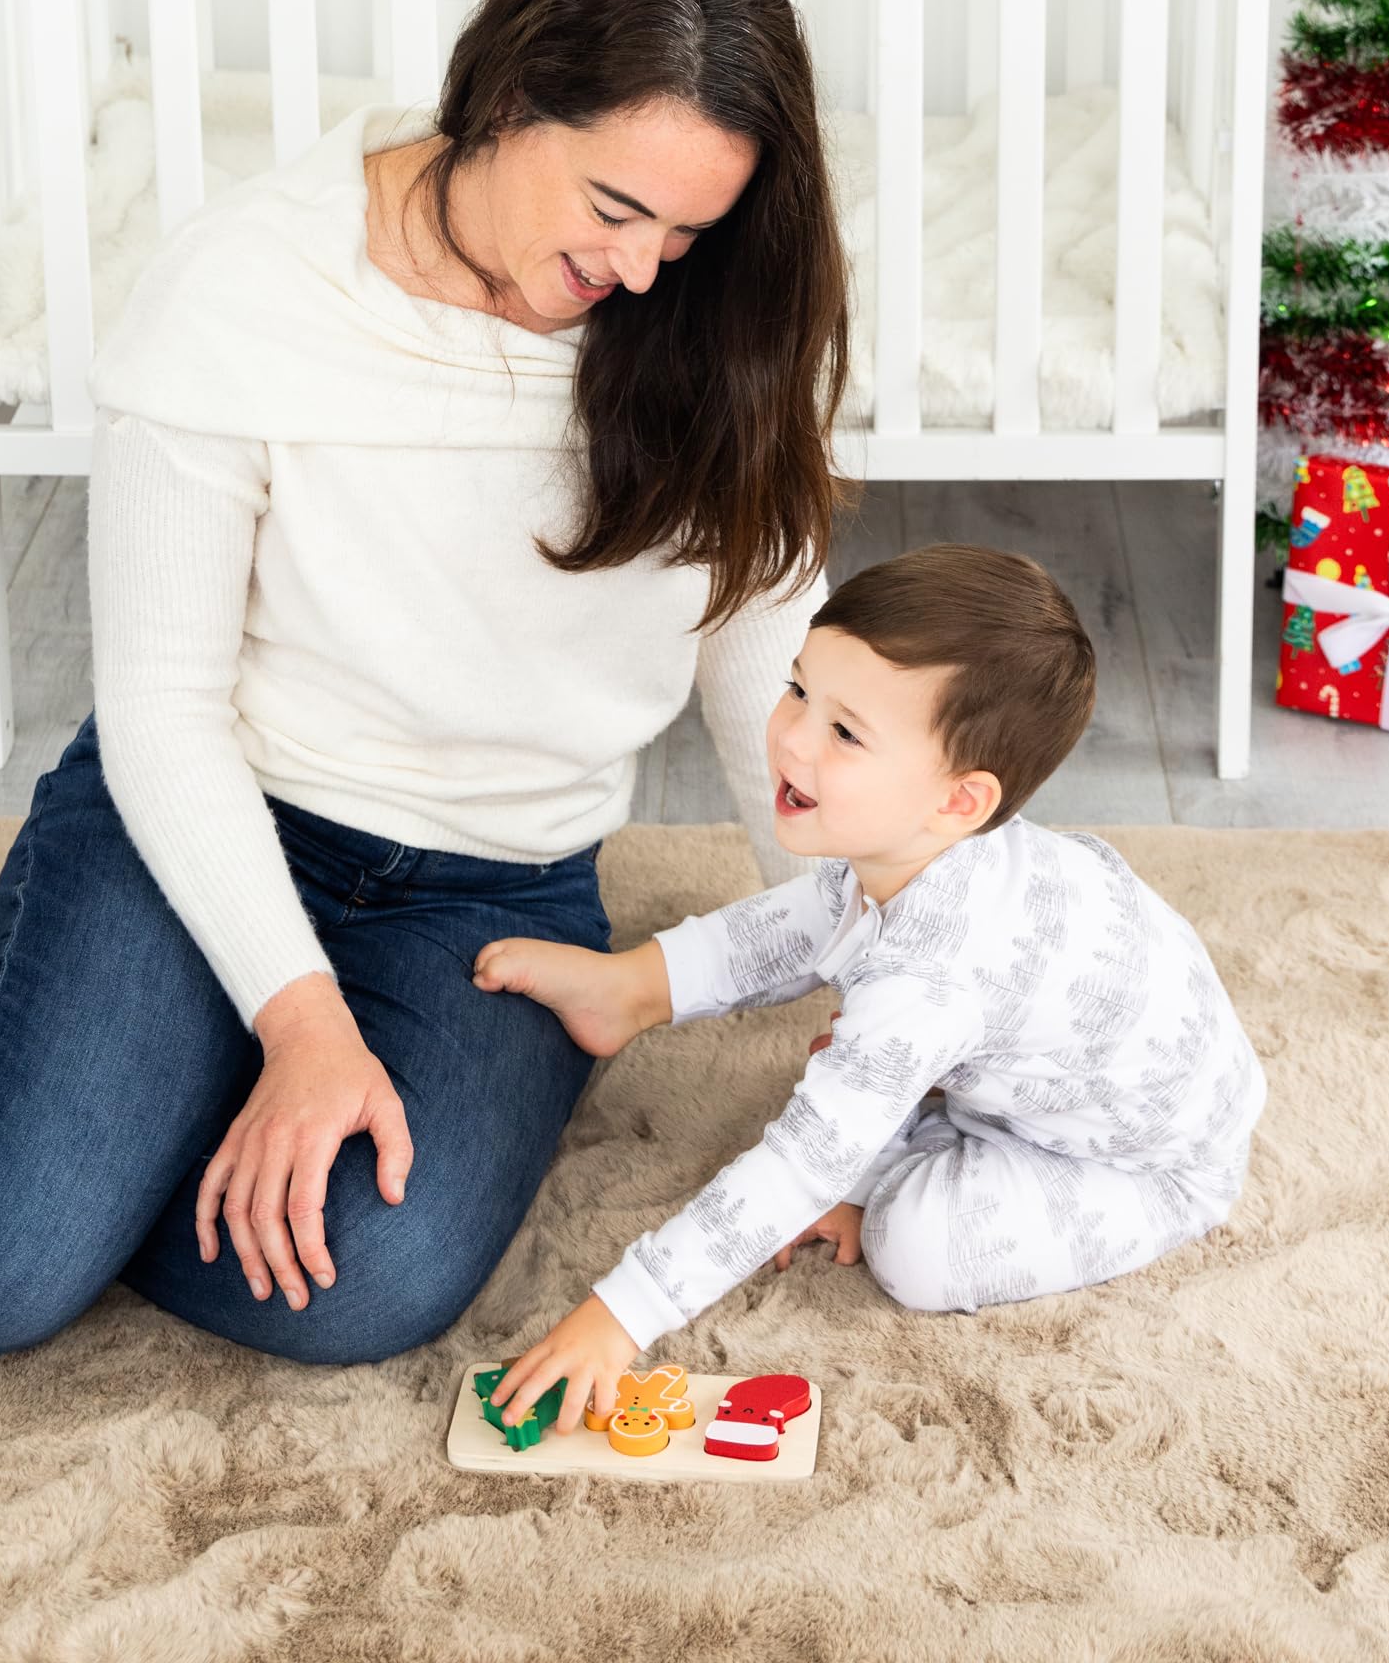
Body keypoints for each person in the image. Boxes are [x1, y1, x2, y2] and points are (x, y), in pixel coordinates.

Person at [0, 0, 857, 1364]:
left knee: (362, 1279)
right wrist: (302, 1028)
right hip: (216, 813)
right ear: (502, 98)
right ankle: (25, 1121)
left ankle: (43, 1099)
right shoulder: (245, 289)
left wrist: (898, 972)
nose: (639, 273)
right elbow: (165, 717)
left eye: (686, 231)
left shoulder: (711, 325)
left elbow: (780, 699)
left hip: (491, 893)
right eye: (613, 210)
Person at [476, 543, 1270, 1438]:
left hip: (1141, 1167)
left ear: (959, 802)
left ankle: (896, 1138)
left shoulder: (933, 977)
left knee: (915, 1249)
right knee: (827, 932)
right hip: (1050, 1056)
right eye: (798, 689)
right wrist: (646, 975)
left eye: (844, 733)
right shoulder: (920, 852)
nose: (792, 736)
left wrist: (617, 1318)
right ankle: (633, 992)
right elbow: (803, 920)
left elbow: (794, 1168)